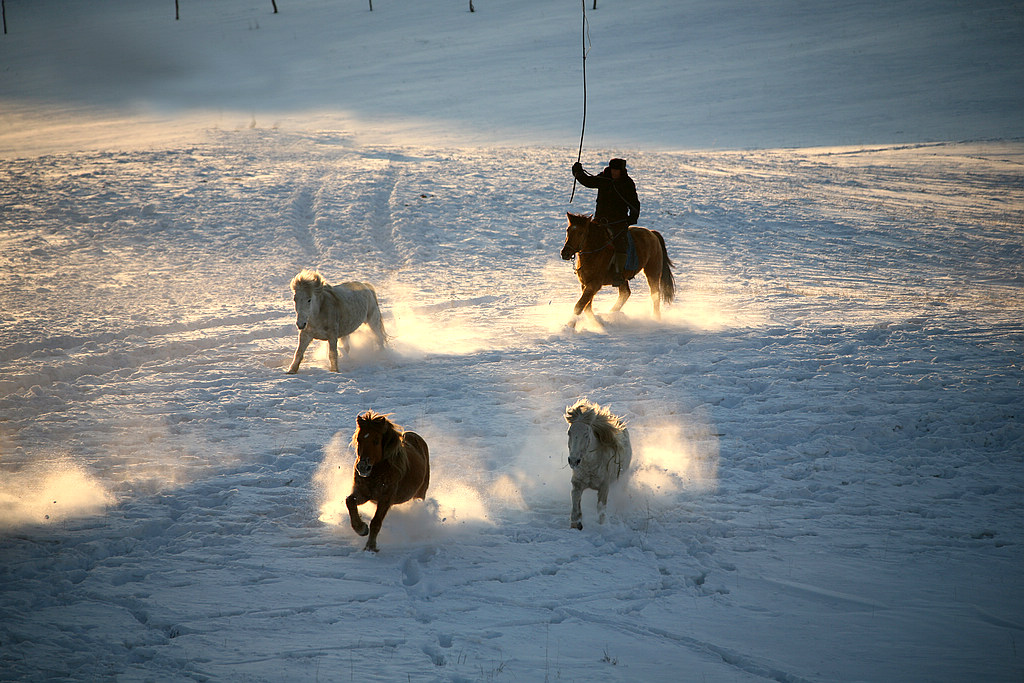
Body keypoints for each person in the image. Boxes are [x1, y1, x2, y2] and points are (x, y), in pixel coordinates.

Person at [571, 158, 640, 286]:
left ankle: (619, 273)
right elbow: (589, 182)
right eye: (613, 170)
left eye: (617, 170)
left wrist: (631, 219)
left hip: (618, 223)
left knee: (621, 244)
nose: (614, 173)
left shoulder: (627, 183)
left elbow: (634, 204)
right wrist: (578, 173)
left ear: (622, 171)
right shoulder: (604, 178)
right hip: (599, 221)